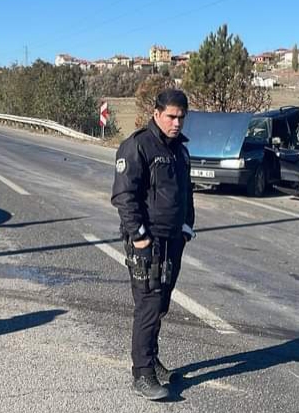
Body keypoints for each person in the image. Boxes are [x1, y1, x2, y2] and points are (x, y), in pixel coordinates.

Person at [110, 89, 195, 400]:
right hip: (147, 240)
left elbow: (187, 192)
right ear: (157, 113)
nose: (176, 123)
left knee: (161, 305)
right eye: (171, 116)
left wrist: (187, 227)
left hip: (174, 240)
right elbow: (124, 195)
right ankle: (142, 374)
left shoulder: (180, 151)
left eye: (181, 118)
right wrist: (140, 236)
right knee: (148, 303)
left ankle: (152, 360)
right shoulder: (138, 145)